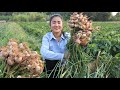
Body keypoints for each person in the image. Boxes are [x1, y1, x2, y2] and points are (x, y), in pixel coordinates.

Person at [40, 14, 70, 78]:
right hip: (51, 67)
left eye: (59, 22)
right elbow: (44, 53)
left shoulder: (68, 36)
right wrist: (63, 56)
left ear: (62, 25)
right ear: (50, 25)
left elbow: (78, 46)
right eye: (54, 22)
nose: (56, 25)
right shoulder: (46, 37)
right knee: (49, 61)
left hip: (66, 66)